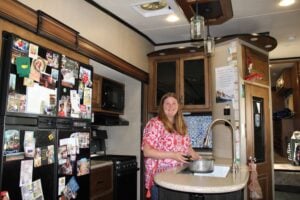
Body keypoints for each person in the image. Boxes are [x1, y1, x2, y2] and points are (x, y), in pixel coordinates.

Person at [142, 92, 200, 200]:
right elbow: (147, 151)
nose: (171, 106)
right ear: (162, 107)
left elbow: (188, 148)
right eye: (167, 104)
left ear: (178, 107)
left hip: (180, 175)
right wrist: (173, 155)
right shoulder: (155, 123)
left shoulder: (181, 125)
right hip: (161, 178)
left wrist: (196, 156)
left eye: (174, 103)